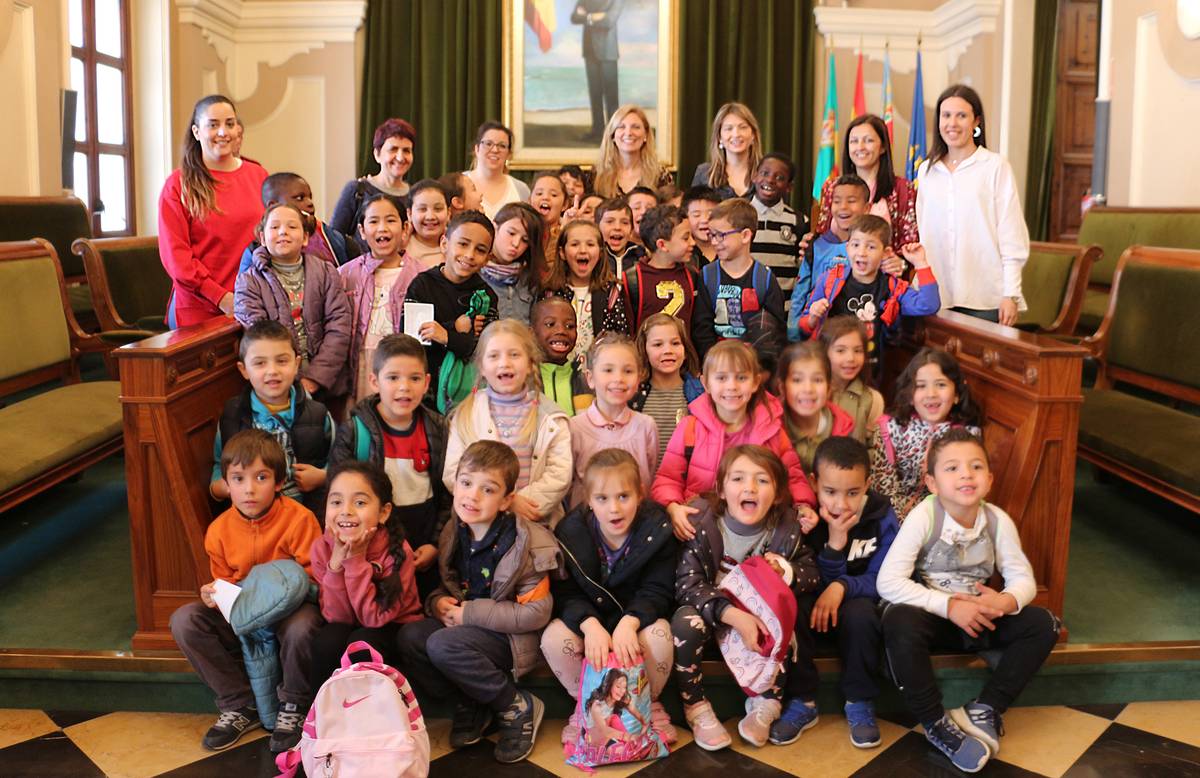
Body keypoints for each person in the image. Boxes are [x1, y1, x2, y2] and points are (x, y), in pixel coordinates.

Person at [878, 429, 1060, 773]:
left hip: (980, 616)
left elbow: (1023, 579)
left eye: (975, 467)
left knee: (1044, 623)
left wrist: (1005, 602)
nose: (965, 474)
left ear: (989, 479)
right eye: (952, 468)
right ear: (932, 483)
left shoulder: (996, 520)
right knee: (898, 619)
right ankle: (936, 723)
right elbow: (889, 582)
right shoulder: (925, 516)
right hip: (936, 618)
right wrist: (949, 606)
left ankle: (986, 708)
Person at [396, 441, 561, 764]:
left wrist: (468, 613)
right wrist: (438, 602)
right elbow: (451, 585)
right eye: (466, 483)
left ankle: (515, 704)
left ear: (506, 501)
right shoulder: (454, 530)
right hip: (466, 627)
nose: (472, 496)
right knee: (411, 637)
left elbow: (536, 613)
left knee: (444, 645)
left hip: (511, 636)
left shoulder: (528, 544)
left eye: (488, 489)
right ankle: (472, 698)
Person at [170, 430, 323, 753]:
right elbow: (226, 588)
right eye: (238, 479)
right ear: (226, 484)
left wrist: (279, 595)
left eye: (261, 477)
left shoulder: (300, 519)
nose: (249, 489)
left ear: (279, 482)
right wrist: (214, 595)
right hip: (244, 612)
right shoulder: (219, 530)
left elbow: (315, 583)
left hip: (290, 610)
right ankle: (238, 704)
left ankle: (293, 705)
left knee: (303, 625)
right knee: (185, 620)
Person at [671, 445, 821, 750]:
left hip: (758, 624)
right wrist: (732, 615)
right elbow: (687, 584)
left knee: (784, 618)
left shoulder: (786, 528)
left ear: (778, 494)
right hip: (715, 613)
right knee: (685, 622)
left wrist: (787, 571)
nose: (749, 487)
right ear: (722, 490)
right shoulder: (703, 523)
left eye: (762, 481)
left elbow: (812, 574)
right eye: (738, 479)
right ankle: (696, 706)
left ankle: (767, 702)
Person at [541, 448, 678, 745]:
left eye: (623, 497)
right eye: (602, 499)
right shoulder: (571, 531)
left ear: (640, 494)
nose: (614, 509)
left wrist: (630, 622)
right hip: (592, 623)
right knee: (553, 637)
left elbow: (659, 589)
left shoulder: (657, 527)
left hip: (636, 621)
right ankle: (584, 706)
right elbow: (566, 593)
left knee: (661, 634)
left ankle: (648, 702)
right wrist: (589, 624)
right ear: (588, 500)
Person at [651, 340, 817, 541]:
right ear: (706, 384)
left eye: (741, 377)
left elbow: (793, 476)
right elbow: (668, 478)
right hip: (700, 531)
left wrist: (803, 505)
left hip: (758, 530)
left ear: (755, 382)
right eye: (721, 378)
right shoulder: (690, 428)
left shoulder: (771, 430)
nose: (732, 386)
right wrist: (673, 508)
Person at [326, 334, 450, 599]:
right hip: (374, 551)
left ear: (427, 382)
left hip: (423, 545)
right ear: (374, 381)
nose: (404, 387)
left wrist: (435, 544)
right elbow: (337, 497)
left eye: (414, 378)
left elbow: (447, 494)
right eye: (393, 378)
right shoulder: (354, 431)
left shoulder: (439, 429)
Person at [793, 436, 898, 748]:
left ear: (867, 484)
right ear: (814, 483)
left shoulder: (881, 515)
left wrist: (842, 585)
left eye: (853, 492)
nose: (840, 504)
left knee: (863, 614)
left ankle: (859, 699)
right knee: (794, 605)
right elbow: (807, 576)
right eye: (830, 492)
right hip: (816, 604)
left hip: (857, 603)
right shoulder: (807, 517)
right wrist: (835, 544)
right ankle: (802, 699)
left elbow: (885, 577)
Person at [442, 320, 574, 526]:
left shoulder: (551, 417)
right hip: (480, 527)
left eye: (514, 355)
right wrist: (502, 502)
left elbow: (559, 474)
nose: (505, 363)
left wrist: (521, 503)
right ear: (482, 367)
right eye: (494, 356)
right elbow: (453, 472)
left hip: (535, 525)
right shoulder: (465, 415)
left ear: (530, 364)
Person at [917, 84, 1030, 326]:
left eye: (962, 116)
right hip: (936, 295)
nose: (952, 123)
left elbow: (1011, 236)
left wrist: (1011, 294)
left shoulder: (995, 167)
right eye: (946, 115)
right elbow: (922, 233)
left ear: (976, 122)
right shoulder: (926, 171)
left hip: (984, 298)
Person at [308, 461, 424, 687]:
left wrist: (355, 560)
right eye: (336, 502)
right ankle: (324, 712)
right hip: (350, 622)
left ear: (383, 512)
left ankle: (368, 715)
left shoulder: (398, 551)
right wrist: (335, 566)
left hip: (392, 627)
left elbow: (374, 619)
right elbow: (337, 618)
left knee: (363, 642)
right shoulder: (321, 548)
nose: (346, 511)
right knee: (327, 640)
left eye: (360, 502)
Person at [158, 94, 268, 326]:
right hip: (199, 308)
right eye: (213, 125)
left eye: (230, 123)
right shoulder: (177, 185)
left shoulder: (258, 175)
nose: (223, 132)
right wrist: (221, 297)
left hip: (253, 303)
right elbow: (177, 259)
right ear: (197, 132)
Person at [234, 203, 354, 402]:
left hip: (327, 383)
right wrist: (288, 379)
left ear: (305, 237)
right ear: (262, 238)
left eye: (292, 226)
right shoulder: (249, 281)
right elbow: (257, 334)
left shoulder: (326, 272)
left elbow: (339, 325)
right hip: (276, 384)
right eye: (274, 227)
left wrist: (315, 379)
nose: (283, 232)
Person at [210, 321, 334, 511]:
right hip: (252, 516)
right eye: (260, 363)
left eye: (282, 361)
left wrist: (322, 476)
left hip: (305, 512)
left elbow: (340, 459)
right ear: (244, 370)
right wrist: (219, 487)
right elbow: (221, 462)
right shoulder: (233, 416)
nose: (272, 371)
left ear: (296, 364)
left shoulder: (317, 414)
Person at [799, 215, 940, 379]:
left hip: (869, 372)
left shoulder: (893, 287)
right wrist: (813, 318)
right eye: (855, 245)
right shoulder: (830, 280)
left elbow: (929, 304)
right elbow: (804, 327)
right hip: (829, 371)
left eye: (871, 247)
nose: (861, 252)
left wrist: (920, 263)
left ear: (885, 252)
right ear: (847, 247)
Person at [869, 348, 982, 519]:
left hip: (942, 517)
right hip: (889, 517)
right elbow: (882, 486)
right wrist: (903, 522)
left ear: (957, 394)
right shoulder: (891, 428)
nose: (931, 394)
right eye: (921, 386)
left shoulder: (966, 437)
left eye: (941, 385)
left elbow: (962, 489)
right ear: (909, 395)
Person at [400, 210, 500, 396]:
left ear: (487, 258)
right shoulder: (422, 285)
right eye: (463, 244)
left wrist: (445, 335)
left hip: (468, 393)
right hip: (425, 391)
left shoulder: (486, 296)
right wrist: (454, 328)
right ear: (445, 244)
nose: (470, 255)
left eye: (480, 250)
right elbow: (411, 343)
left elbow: (484, 351)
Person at [339, 194, 420, 402]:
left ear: (405, 228)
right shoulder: (345, 274)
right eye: (374, 221)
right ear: (362, 231)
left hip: (399, 365)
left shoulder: (421, 275)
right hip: (359, 363)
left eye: (390, 220)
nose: (382, 228)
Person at [567, 334, 658, 507]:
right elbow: (568, 484)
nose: (618, 379)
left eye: (628, 371)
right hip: (587, 525)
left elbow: (649, 476)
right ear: (590, 378)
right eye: (608, 370)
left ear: (638, 378)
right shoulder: (574, 428)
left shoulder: (646, 426)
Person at [692, 198, 787, 359]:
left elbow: (775, 331)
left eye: (721, 235)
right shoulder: (707, 276)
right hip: (717, 362)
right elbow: (702, 328)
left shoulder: (764, 279)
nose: (714, 242)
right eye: (711, 235)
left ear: (745, 235)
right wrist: (711, 360)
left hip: (753, 364)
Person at [814, 114, 918, 253]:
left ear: (883, 147)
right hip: (836, 270)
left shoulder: (903, 189)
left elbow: (910, 243)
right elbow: (823, 235)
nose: (860, 147)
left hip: (884, 270)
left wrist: (899, 262)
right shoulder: (831, 187)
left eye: (868, 141)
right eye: (854, 141)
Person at [787, 174, 871, 338]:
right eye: (837, 201)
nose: (843, 207)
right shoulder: (817, 246)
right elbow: (800, 293)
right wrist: (793, 334)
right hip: (818, 335)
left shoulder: (870, 250)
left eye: (851, 201)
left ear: (866, 208)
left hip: (858, 334)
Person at [237, 172, 361, 274]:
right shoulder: (253, 254)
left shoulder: (333, 240)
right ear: (273, 206)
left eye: (310, 197)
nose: (310, 203)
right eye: (299, 198)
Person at [543, 220, 631, 363]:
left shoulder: (611, 292)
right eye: (574, 244)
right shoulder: (550, 292)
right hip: (558, 373)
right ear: (562, 252)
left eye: (590, 244)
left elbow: (620, 336)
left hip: (598, 372)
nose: (583, 250)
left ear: (601, 253)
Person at [629, 312, 705, 465]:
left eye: (675, 343)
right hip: (643, 484)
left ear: (685, 350)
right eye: (658, 344)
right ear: (645, 351)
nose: (668, 350)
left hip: (685, 484)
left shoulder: (699, 394)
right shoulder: (633, 396)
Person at [330, 118, 417, 239]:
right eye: (393, 149)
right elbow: (334, 239)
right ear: (377, 154)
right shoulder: (357, 190)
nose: (400, 157)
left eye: (406, 151)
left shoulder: (416, 195)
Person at [776, 342, 855, 472]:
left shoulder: (842, 427)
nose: (808, 389)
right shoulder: (771, 429)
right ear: (782, 388)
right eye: (797, 380)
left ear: (829, 388)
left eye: (817, 380)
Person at [623, 204, 698, 334]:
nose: (693, 242)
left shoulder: (692, 276)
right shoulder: (632, 280)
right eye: (686, 238)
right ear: (662, 245)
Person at [750, 153, 808, 299]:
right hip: (744, 308)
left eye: (779, 178)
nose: (770, 180)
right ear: (754, 176)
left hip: (784, 309)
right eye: (765, 173)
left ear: (789, 187)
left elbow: (802, 268)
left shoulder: (799, 221)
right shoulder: (737, 215)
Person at [820, 316, 884, 442]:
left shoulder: (873, 400)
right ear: (824, 353)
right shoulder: (812, 394)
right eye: (840, 351)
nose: (850, 358)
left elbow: (873, 447)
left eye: (857, 351)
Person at [481, 202, 546, 326]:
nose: (516, 243)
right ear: (495, 227)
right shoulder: (475, 272)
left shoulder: (529, 278)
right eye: (511, 233)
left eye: (525, 240)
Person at [593, 105, 673, 198]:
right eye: (621, 127)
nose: (628, 133)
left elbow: (669, 210)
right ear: (613, 135)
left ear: (646, 135)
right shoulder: (597, 174)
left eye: (636, 127)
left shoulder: (660, 175)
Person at [531, 296, 592, 416]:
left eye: (570, 326)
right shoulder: (525, 380)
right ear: (531, 333)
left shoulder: (583, 381)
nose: (561, 331)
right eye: (550, 324)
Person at [572, 0, 623, 141]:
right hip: (590, 52)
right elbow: (574, 18)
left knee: (611, 97)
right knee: (595, 95)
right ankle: (597, 131)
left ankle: (614, 134)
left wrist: (587, 16)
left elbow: (609, 21)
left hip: (608, 52)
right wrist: (594, 17)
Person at [691, 102, 762, 199]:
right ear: (719, 137)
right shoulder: (704, 173)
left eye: (743, 127)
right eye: (728, 129)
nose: (736, 134)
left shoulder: (766, 174)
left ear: (753, 135)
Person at [465, 121, 531, 219]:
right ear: (477, 148)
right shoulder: (460, 183)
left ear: (509, 154)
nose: (495, 150)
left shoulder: (521, 189)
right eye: (488, 144)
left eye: (502, 146)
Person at [406, 179, 453, 270]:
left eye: (438, 209)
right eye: (422, 209)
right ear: (410, 214)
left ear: (448, 213)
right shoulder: (400, 246)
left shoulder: (456, 246)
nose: (430, 217)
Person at [596, 196, 644, 278]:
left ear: (631, 229)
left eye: (624, 223)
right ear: (597, 227)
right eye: (610, 221)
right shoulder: (594, 257)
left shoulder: (642, 257)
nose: (617, 227)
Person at [682, 185, 721, 267]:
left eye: (710, 214)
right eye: (696, 215)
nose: (704, 220)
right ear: (686, 217)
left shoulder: (727, 248)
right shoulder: (682, 254)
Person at [529, 171, 569, 249]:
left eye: (553, 195)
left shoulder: (568, 233)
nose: (545, 197)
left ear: (565, 204)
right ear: (529, 201)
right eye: (539, 193)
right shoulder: (523, 232)